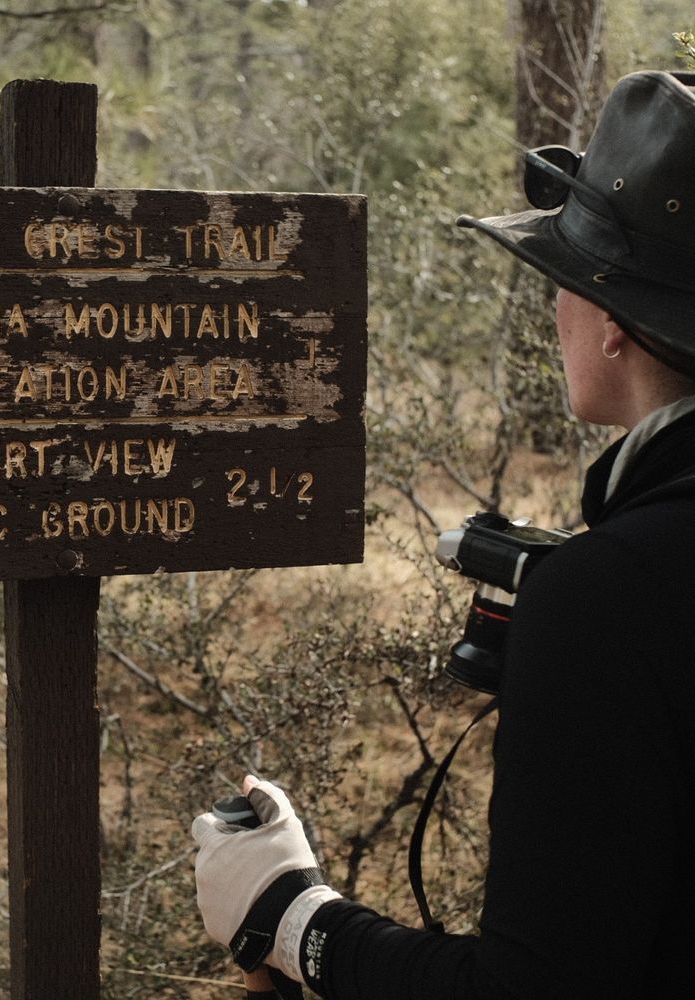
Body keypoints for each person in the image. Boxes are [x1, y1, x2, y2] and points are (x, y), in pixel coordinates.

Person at [192, 69, 695, 999]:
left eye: (564, 279)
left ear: (618, 321)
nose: (555, 309)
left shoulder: (612, 602)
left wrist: (291, 919)